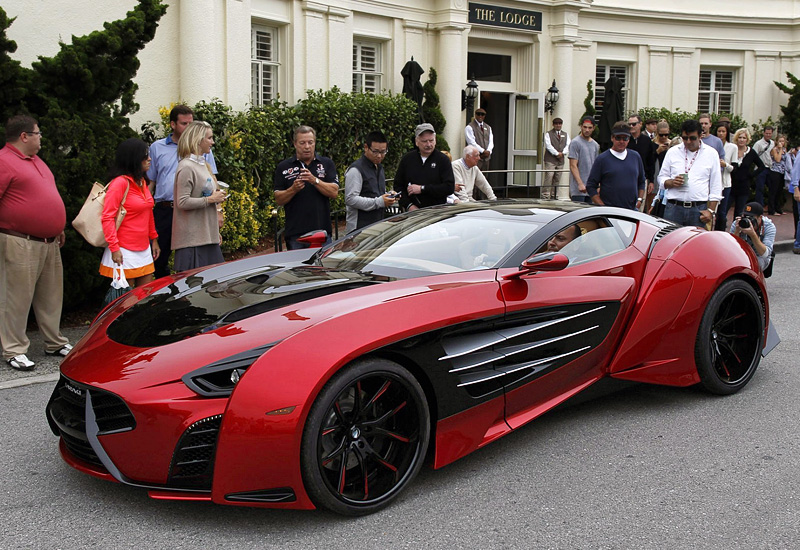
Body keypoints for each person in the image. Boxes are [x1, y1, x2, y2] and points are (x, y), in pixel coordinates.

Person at [0, 115, 71, 370]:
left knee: (51, 295)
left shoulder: (36, 160)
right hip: (19, 241)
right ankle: (14, 350)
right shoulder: (4, 161)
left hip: (49, 241)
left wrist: (56, 225)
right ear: (24, 136)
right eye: (38, 133)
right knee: (16, 297)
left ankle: (54, 342)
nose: (41, 137)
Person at [147, 105, 217, 278]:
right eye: (184, 123)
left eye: (191, 123)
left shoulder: (204, 151)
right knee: (160, 258)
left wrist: (219, 212)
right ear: (172, 124)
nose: (188, 128)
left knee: (193, 258)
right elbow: (151, 182)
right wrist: (147, 212)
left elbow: (212, 183)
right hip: (165, 209)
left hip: (193, 212)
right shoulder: (157, 148)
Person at [99, 138, 160, 288]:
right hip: (123, 249)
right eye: (145, 156)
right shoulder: (119, 183)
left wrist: (154, 239)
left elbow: (148, 212)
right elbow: (107, 217)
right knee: (125, 301)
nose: (149, 159)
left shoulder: (143, 182)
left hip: (144, 248)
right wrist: (114, 248)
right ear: (133, 158)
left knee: (144, 296)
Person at [172, 121, 227, 271]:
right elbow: (182, 202)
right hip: (193, 241)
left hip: (206, 237)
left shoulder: (203, 165)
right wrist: (210, 200)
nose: (212, 142)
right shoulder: (186, 167)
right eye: (209, 138)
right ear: (198, 139)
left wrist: (214, 232)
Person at [274, 125, 340, 249]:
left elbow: (334, 192)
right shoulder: (284, 167)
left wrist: (314, 180)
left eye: (310, 142)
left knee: (322, 268)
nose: (307, 147)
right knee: (298, 268)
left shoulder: (326, 163)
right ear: (295, 144)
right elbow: (279, 199)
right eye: (302, 143)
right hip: (296, 235)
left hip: (322, 232)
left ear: (315, 143)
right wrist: (293, 189)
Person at [344, 131, 397, 233]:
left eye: (383, 152)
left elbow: (377, 194)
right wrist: (379, 202)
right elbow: (350, 199)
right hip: (359, 229)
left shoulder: (379, 168)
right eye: (375, 151)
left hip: (378, 226)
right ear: (366, 147)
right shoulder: (356, 170)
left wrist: (389, 196)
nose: (379, 156)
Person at [586, 121, 646, 210]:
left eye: (625, 138)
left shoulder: (635, 156)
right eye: (618, 138)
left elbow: (641, 181)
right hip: (610, 212)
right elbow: (590, 186)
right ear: (612, 138)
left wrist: (639, 200)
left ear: (629, 139)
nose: (621, 141)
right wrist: (602, 207)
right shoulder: (602, 159)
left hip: (632, 210)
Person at [395, 123, 454, 211]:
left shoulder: (443, 160)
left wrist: (422, 189)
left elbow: (449, 187)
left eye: (431, 140)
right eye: (424, 141)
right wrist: (408, 205)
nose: (428, 144)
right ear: (417, 142)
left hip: (437, 211)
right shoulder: (407, 159)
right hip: (412, 212)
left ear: (435, 140)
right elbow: (398, 186)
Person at [729, 128, 765, 219]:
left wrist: (751, 175)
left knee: (739, 212)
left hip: (744, 186)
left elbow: (761, 166)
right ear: (736, 139)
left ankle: (736, 231)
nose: (741, 140)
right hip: (730, 184)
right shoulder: (732, 150)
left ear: (747, 139)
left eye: (744, 138)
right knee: (723, 210)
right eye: (739, 137)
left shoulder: (751, 152)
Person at [731, 201, 775, 273]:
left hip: (760, 257)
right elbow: (731, 249)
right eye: (745, 217)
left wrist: (753, 235)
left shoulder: (768, 227)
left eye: (751, 218)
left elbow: (764, 254)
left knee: (752, 266)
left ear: (760, 217)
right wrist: (737, 232)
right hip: (741, 254)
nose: (748, 221)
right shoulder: (738, 223)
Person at [627, 114, 656, 210]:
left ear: (640, 124)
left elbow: (651, 161)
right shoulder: (625, 140)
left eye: (634, 124)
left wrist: (651, 180)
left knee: (640, 206)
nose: (631, 126)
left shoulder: (647, 140)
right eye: (629, 124)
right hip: (627, 177)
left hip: (642, 178)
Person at [568, 116, 599, 203]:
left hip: (591, 188)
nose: (587, 130)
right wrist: (580, 183)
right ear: (581, 126)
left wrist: (598, 185)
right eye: (585, 127)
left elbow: (596, 166)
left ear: (593, 128)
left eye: (589, 128)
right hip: (578, 189)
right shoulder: (575, 142)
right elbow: (573, 165)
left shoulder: (595, 145)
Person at [715, 123, 738, 231]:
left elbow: (734, 168)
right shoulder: (712, 145)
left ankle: (720, 232)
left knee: (722, 212)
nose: (721, 134)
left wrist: (725, 165)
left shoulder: (732, 147)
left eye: (723, 131)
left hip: (725, 183)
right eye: (719, 131)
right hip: (713, 182)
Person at [542, 118, 570, 200]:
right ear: (553, 124)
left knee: (557, 178)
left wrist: (563, 153)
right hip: (550, 159)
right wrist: (557, 153)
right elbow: (548, 145)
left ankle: (555, 195)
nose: (558, 125)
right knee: (549, 176)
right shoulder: (548, 134)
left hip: (560, 160)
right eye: (556, 123)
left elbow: (568, 145)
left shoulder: (565, 134)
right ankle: (545, 195)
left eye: (560, 123)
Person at [752, 126, 775, 205]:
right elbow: (753, 155)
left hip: (770, 168)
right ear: (763, 133)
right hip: (761, 168)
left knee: (772, 188)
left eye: (770, 133)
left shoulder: (772, 143)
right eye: (766, 133)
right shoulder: (758, 144)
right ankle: (759, 206)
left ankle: (771, 207)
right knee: (760, 188)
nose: (768, 135)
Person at [767, 134, 788, 215]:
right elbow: (778, 159)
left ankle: (778, 208)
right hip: (775, 171)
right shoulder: (774, 150)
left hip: (782, 172)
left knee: (779, 191)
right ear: (776, 142)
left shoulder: (785, 150)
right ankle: (771, 210)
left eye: (783, 141)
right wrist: (779, 149)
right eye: (780, 141)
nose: (781, 143)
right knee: (773, 191)